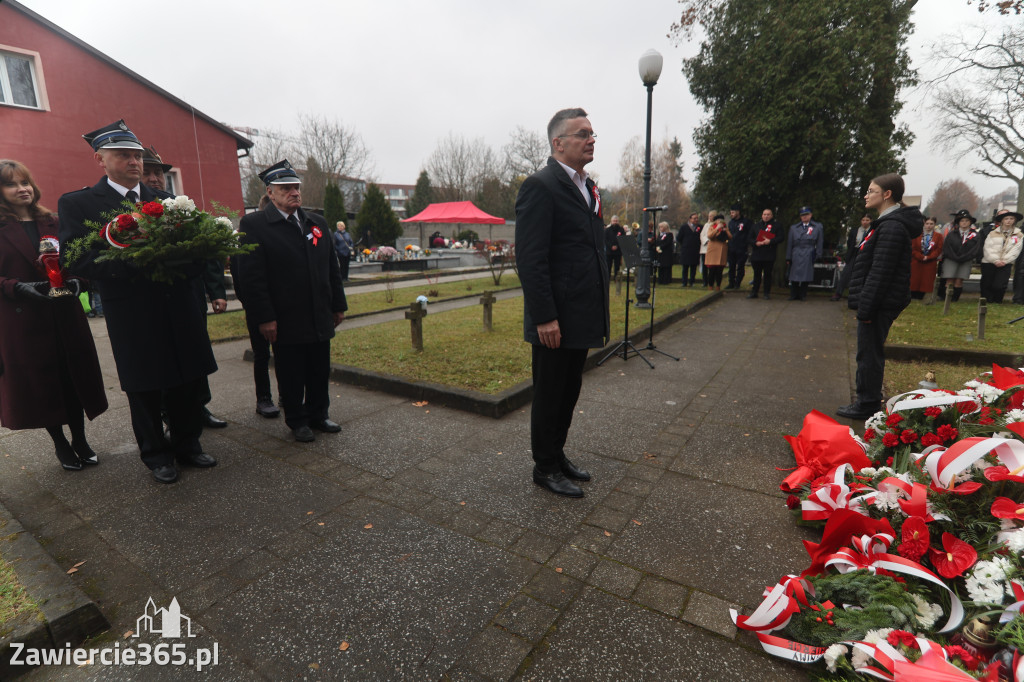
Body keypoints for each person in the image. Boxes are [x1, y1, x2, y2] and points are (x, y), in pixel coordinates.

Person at [58, 120, 218, 484]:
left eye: (137, 156)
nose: (134, 162)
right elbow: (75, 258)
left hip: (178, 305)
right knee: (145, 385)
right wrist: (135, 263)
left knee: (187, 378)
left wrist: (194, 258)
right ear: (100, 159)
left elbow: (194, 249)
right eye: (123, 155)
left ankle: (188, 444)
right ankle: (156, 455)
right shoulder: (79, 203)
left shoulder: (165, 201)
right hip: (133, 311)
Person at [515, 107, 608, 498]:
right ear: (558, 143)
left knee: (569, 391)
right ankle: (545, 467)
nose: (591, 139)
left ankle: (557, 453)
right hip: (555, 316)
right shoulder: (541, 185)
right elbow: (530, 258)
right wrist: (545, 317)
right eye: (582, 134)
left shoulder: (588, 186)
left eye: (592, 133)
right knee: (550, 393)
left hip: (582, 311)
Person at [0, 159, 108, 471]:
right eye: (11, 184)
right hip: (24, 320)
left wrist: (78, 280)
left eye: (25, 182)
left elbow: (75, 259)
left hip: (64, 314)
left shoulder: (53, 221)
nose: (22, 189)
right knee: (44, 384)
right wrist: (17, 287)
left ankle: (80, 439)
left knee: (73, 378)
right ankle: (60, 443)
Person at [235, 160, 347, 443]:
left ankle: (319, 414)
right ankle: (297, 420)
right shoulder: (255, 225)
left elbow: (331, 268)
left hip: (318, 312)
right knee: (291, 371)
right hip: (285, 316)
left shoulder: (316, 222)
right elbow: (252, 278)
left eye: (296, 187)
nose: (294, 192)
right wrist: (264, 317)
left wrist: (338, 305)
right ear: (270, 193)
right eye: (285, 188)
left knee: (319, 368)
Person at [142, 146, 228, 429]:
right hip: (156, 301)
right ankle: (168, 413)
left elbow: (208, 251)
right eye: (148, 172)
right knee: (165, 360)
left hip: (190, 296)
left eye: (158, 173)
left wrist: (216, 292)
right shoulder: (134, 213)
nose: (155, 178)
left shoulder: (182, 206)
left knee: (196, 354)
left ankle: (200, 406)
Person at [837, 173, 923, 420]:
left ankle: (867, 403)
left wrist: (866, 308)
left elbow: (880, 272)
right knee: (868, 352)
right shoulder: (886, 223)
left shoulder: (892, 227)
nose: (866, 195)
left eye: (871, 191)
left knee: (869, 353)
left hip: (879, 303)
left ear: (887, 194)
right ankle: (867, 399)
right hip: (877, 301)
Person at [230, 193, 280, 419]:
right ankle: (264, 398)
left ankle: (286, 394)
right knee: (261, 354)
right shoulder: (249, 232)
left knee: (284, 353)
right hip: (257, 307)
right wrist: (252, 305)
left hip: (280, 304)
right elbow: (241, 274)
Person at [980, 209, 1024, 304]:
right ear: (1002, 220)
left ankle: (997, 300)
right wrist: (995, 260)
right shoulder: (992, 233)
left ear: (1015, 221)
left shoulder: (1019, 235)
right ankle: (987, 300)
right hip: (990, 261)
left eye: (1011, 219)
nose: (1009, 221)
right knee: (987, 282)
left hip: (1006, 263)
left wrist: (1005, 260)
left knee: (1000, 284)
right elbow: (987, 248)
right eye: (1006, 218)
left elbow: (1016, 250)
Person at [940, 209, 981, 302]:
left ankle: (955, 299)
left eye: (967, 221)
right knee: (949, 279)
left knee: (959, 280)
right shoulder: (952, 234)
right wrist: (954, 257)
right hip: (951, 259)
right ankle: (947, 298)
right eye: (962, 221)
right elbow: (947, 247)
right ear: (958, 222)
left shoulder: (975, 235)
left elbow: (975, 249)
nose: (964, 223)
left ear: (970, 222)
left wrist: (965, 257)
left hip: (966, 260)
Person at [786, 206, 823, 300]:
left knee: (806, 274)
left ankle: (803, 294)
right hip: (796, 252)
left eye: (806, 214)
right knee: (794, 274)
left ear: (810, 215)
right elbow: (790, 243)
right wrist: (788, 256)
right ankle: (793, 294)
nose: (804, 217)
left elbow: (819, 242)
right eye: (802, 215)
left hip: (809, 252)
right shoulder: (794, 228)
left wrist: (818, 254)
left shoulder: (817, 227)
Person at [831, 215, 872, 301]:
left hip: (866, 254)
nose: (865, 222)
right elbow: (850, 243)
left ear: (870, 221)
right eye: (863, 220)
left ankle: (861, 296)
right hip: (854, 253)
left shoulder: (872, 231)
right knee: (846, 273)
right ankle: (838, 293)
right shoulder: (855, 231)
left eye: (867, 220)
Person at [748, 208, 784, 299]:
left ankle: (766, 293)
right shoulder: (756, 226)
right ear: (762, 215)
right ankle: (754, 292)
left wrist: (771, 241)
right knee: (757, 274)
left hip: (769, 254)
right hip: (757, 254)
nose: (766, 216)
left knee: (768, 274)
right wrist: (756, 242)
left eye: (768, 214)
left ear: (772, 215)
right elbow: (749, 238)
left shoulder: (777, 225)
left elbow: (781, 237)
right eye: (764, 214)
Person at [909, 216, 944, 301]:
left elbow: (938, 249)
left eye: (931, 224)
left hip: (930, 262)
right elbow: (912, 248)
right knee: (914, 278)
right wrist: (920, 257)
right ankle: (912, 295)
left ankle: (922, 295)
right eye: (927, 223)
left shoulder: (938, 236)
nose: (929, 226)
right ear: (924, 224)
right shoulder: (917, 235)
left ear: (934, 225)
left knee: (927, 279)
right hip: (917, 261)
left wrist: (928, 257)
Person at [726, 204, 752, 289]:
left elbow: (750, 233)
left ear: (738, 212)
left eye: (733, 212)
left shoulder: (746, 222)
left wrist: (746, 242)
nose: (731, 214)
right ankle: (731, 283)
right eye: (730, 212)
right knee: (731, 266)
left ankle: (737, 283)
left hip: (741, 248)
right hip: (731, 247)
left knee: (740, 266)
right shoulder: (731, 222)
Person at [704, 214, 730, 291]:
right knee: (712, 270)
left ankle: (718, 285)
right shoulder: (711, 227)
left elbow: (730, 237)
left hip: (722, 250)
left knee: (719, 270)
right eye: (718, 220)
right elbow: (710, 236)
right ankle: (710, 285)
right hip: (713, 250)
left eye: (721, 220)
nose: (719, 221)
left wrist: (726, 230)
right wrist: (717, 229)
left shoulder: (725, 228)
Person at [678, 212, 702, 287]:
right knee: (685, 267)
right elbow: (679, 238)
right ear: (690, 219)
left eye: (697, 218)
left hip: (695, 250)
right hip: (686, 250)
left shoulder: (700, 227)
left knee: (693, 267)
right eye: (694, 218)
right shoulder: (684, 227)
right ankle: (684, 282)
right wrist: (685, 244)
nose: (696, 220)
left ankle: (692, 282)